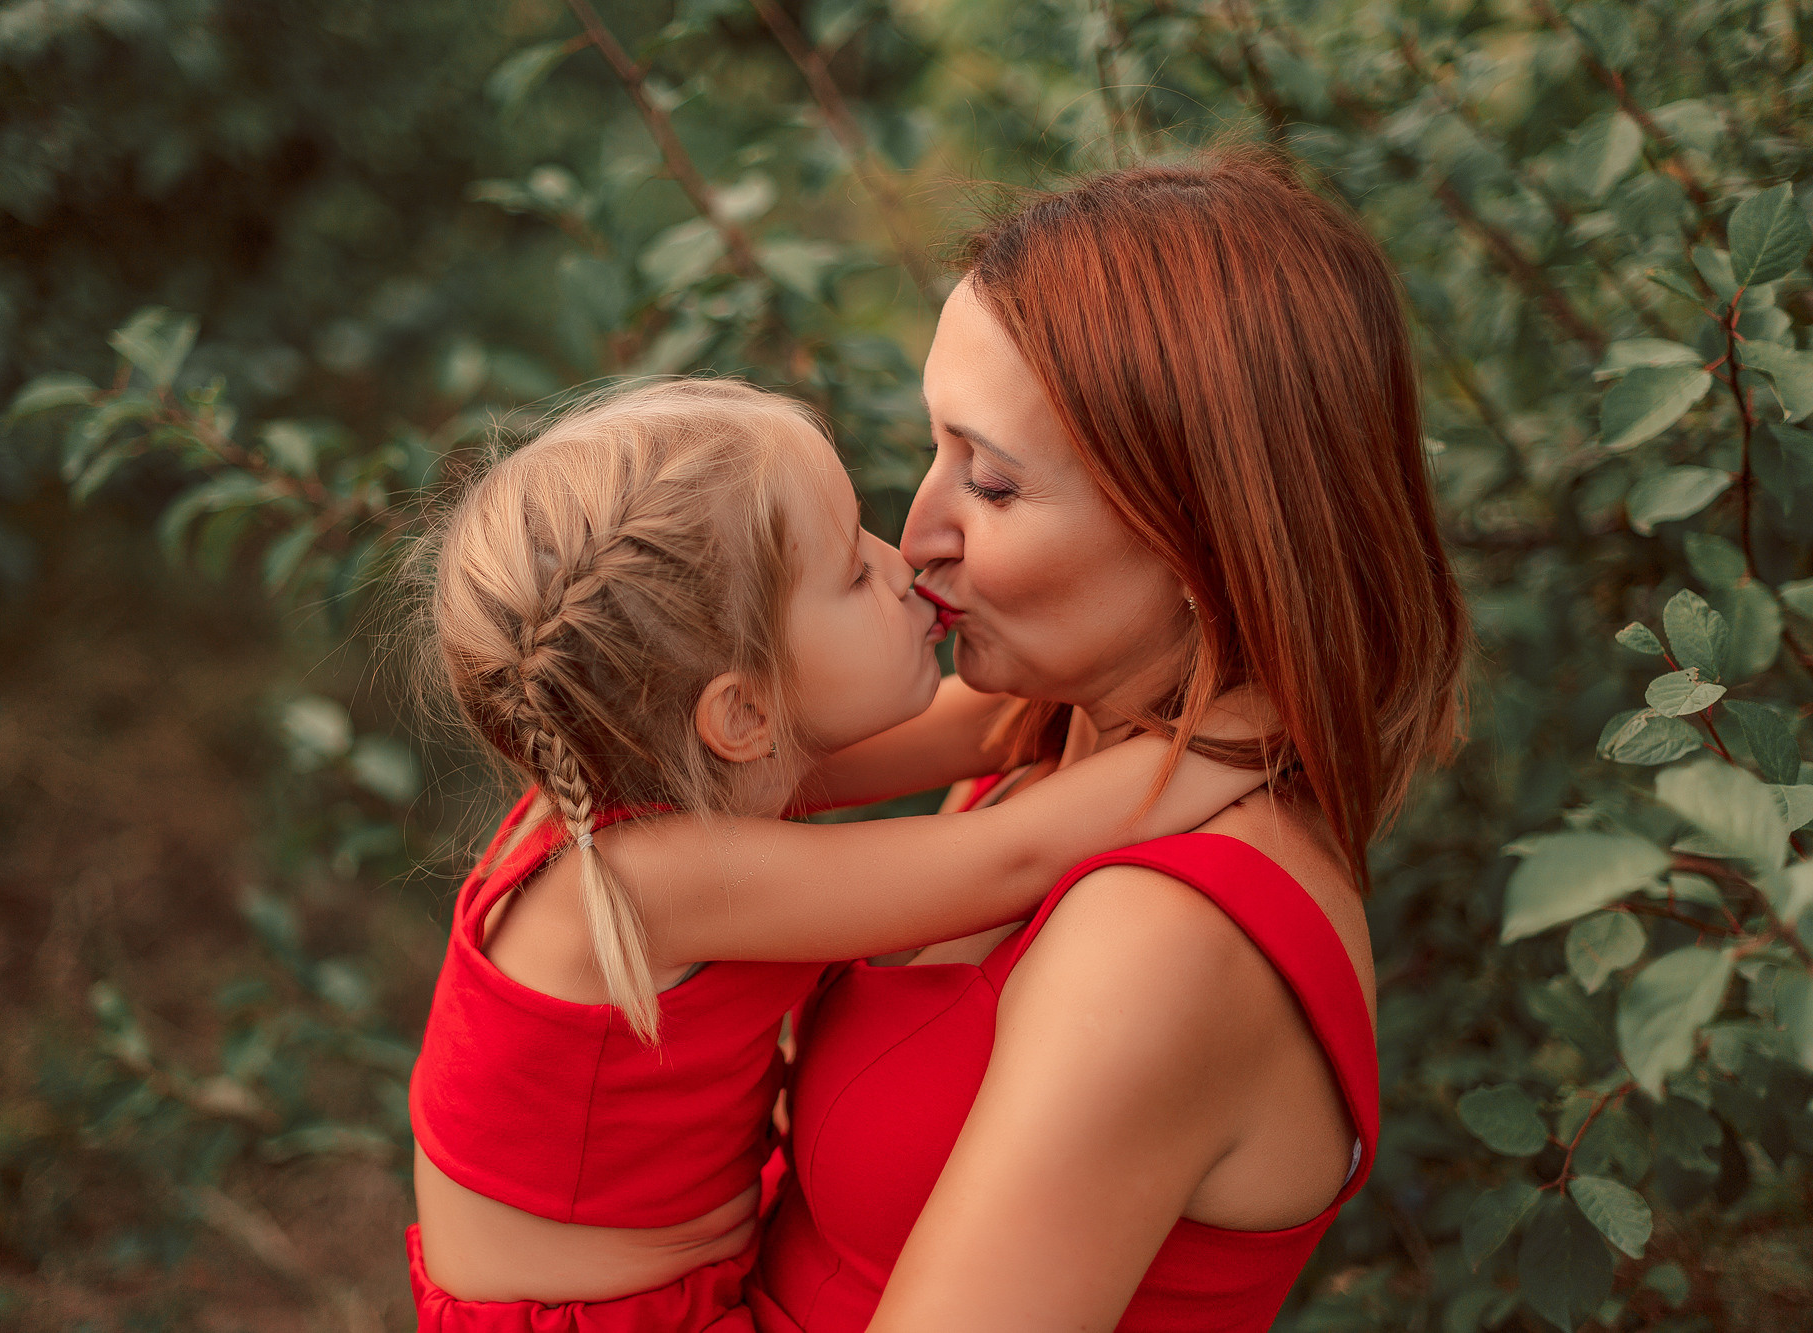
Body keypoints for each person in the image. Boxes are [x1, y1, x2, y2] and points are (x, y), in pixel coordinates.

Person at [749, 149, 1469, 1332]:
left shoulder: (1164, 937)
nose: (915, 530)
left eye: (987, 483)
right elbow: (687, 783)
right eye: (934, 449)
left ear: (1198, 538)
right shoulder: (1044, 739)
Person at [405, 377, 1267, 1332]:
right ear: (741, 711)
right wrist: (1262, 715)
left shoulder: (676, 766)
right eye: (854, 573)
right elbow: (1008, 857)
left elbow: (990, 730)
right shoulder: (657, 876)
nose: (902, 563)